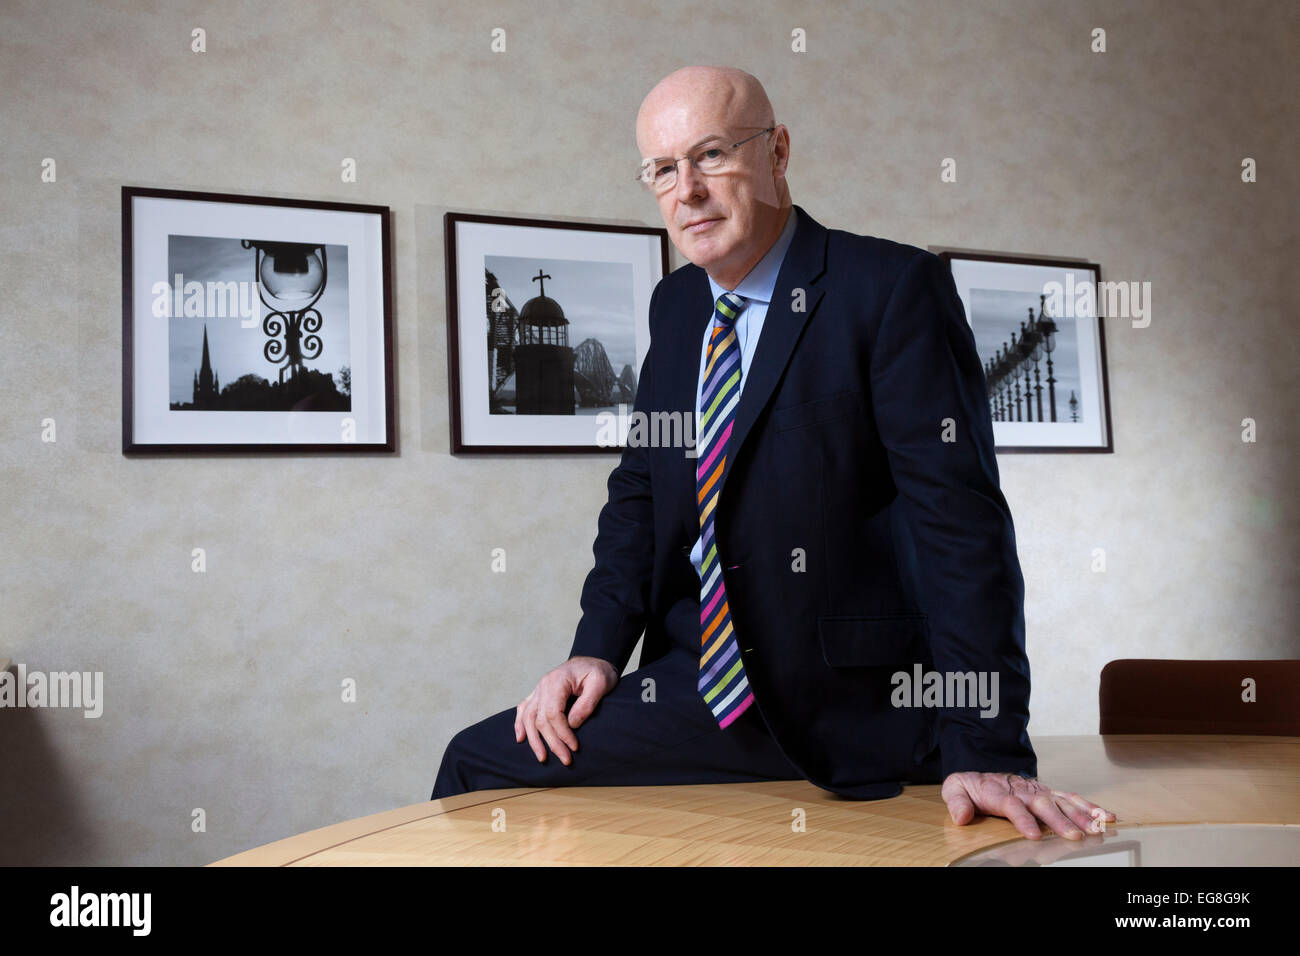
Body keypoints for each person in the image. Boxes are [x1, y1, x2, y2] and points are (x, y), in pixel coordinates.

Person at [432, 65, 1114, 841]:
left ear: (778, 152)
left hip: (860, 700)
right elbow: (641, 494)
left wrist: (987, 746)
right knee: (479, 761)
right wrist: (595, 651)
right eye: (662, 168)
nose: (686, 188)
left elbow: (959, 528)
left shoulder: (889, 287)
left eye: (712, 154)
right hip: (702, 686)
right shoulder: (678, 306)